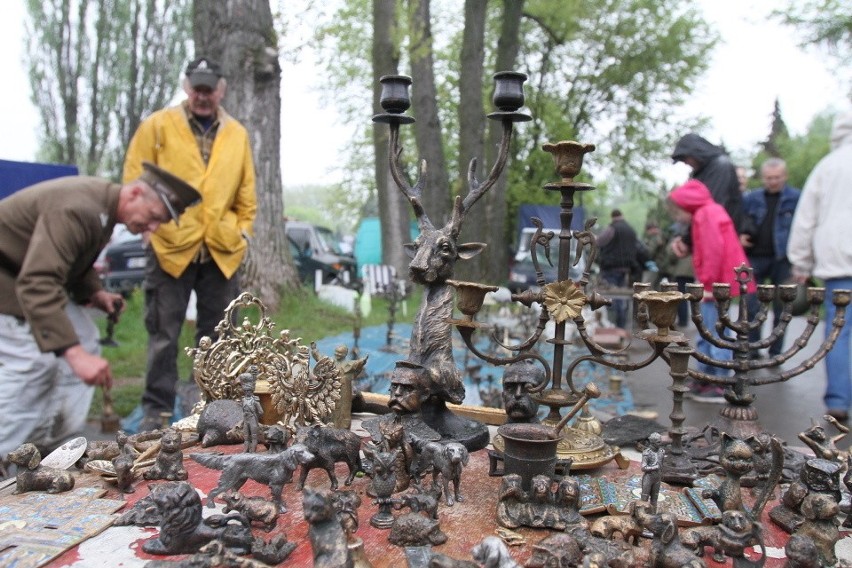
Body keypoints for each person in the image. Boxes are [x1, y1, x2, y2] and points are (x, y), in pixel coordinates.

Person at [0, 163, 200, 467]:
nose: (153, 228)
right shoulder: (79, 208)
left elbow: (69, 258)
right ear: (135, 193)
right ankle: (6, 455)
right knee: (33, 362)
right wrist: (75, 356)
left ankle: (49, 444)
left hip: (23, 277)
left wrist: (94, 292)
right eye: (154, 217)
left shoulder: (101, 207)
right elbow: (38, 281)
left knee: (85, 337)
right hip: (11, 281)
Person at [123, 56, 257, 432]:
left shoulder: (238, 134)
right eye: (196, 88)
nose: (202, 95)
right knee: (164, 333)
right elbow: (134, 178)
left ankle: (211, 402)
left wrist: (242, 230)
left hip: (221, 248)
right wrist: (149, 232)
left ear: (221, 89)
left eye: (208, 88)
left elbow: (247, 194)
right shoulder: (157, 125)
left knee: (216, 335)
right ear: (186, 87)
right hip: (169, 243)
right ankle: (157, 407)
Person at [787, 112, 852, 422]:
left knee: (839, 332)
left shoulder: (828, 166)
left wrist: (801, 262)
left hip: (839, 263)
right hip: (837, 262)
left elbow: (805, 219)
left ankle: (839, 400)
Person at [668, 179, 755, 402]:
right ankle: (706, 377)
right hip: (719, 281)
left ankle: (719, 382)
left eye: (679, 212)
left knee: (715, 331)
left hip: (717, 283)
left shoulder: (705, 215)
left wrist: (708, 283)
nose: (680, 218)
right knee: (709, 330)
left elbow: (713, 251)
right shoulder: (709, 211)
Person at [740, 158, 800, 359]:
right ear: (763, 178)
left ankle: (775, 350)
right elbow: (738, 220)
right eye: (768, 178)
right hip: (755, 258)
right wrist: (741, 235)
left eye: (777, 177)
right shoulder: (751, 198)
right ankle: (753, 346)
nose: (773, 182)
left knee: (781, 306)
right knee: (751, 302)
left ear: (785, 176)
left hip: (783, 258)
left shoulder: (796, 198)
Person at [596, 209, 639, 329]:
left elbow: (599, 242)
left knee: (610, 298)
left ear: (612, 217)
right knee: (622, 298)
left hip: (611, 267)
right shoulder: (631, 230)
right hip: (626, 268)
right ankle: (621, 327)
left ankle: (611, 327)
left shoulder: (612, 228)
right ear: (622, 215)